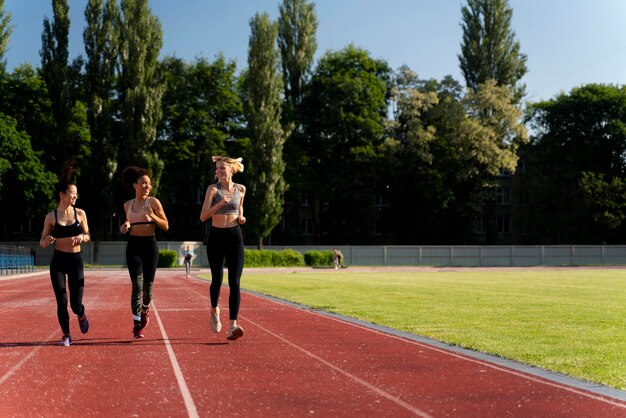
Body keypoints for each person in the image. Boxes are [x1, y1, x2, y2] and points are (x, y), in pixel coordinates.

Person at [39, 179, 91, 346]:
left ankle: (81, 315)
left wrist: (83, 237)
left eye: (76, 193)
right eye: (72, 193)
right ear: (62, 195)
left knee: (75, 305)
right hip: (58, 261)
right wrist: (46, 240)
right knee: (61, 300)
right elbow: (41, 241)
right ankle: (66, 334)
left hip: (76, 260)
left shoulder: (81, 214)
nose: (75, 196)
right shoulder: (51, 216)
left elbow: (88, 236)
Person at [119, 166, 169, 339]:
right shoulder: (128, 205)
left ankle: (145, 310)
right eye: (144, 183)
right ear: (135, 185)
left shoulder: (153, 202)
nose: (147, 186)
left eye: (149, 184)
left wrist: (153, 216)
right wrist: (125, 225)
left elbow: (165, 225)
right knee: (137, 286)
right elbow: (128, 221)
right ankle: (137, 325)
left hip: (150, 246)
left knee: (147, 288)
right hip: (134, 246)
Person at [200, 156, 246, 341]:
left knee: (235, 281)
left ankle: (233, 325)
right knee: (217, 279)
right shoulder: (213, 189)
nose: (218, 171)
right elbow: (203, 216)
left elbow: (240, 210)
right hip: (216, 236)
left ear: (231, 170)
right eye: (217, 168)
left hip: (235, 236)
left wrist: (242, 218)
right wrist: (219, 203)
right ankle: (214, 309)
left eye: (222, 168)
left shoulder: (241, 189)